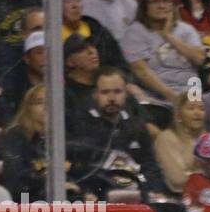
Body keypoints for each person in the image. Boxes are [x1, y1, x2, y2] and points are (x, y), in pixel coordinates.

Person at [68, 66, 168, 199]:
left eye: (117, 91)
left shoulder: (136, 126)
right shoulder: (81, 125)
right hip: (98, 195)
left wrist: (155, 190)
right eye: (105, 92)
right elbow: (76, 167)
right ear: (95, 94)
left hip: (136, 194)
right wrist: (85, 192)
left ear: (126, 93)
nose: (111, 98)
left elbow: (150, 165)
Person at [121, 0, 205, 102]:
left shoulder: (186, 30)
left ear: (172, 5)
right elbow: (141, 71)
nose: (161, 6)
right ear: (145, 7)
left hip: (191, 94)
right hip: (154, 97)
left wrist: (169, 36)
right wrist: (172, 96)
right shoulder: (135, 32)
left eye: (166, 1)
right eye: (155, 2)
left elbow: (201, 59)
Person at [0, 84, 52, 200]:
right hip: (24, 201)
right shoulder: (16, 135)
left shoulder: (55, 137)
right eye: (39, 102)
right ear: (28, 107)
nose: (46, 107)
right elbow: (17, 179)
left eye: (50, 102)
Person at [154, 93, 207, 193]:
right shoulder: (166, 139)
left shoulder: (208, 139)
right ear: (179, 115)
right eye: (191, 108)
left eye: (202, 109)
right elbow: (177, 179)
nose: (197, 113)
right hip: (177, 199)